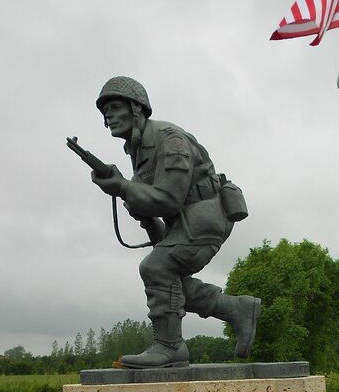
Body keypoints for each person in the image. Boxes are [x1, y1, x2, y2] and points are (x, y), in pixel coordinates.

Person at [90, 76, 261, 369]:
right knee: (170, 279)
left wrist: (123, 188)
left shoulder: (170, 140)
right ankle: (236, 309)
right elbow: (159, 225)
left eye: (115, 107)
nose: (108, 115)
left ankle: (169, 346)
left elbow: (167, 199)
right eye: (105, 111)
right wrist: (136, 205)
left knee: (156, 267)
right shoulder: (138, 149)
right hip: (184, 221)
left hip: (207, 215)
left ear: (137, 108)